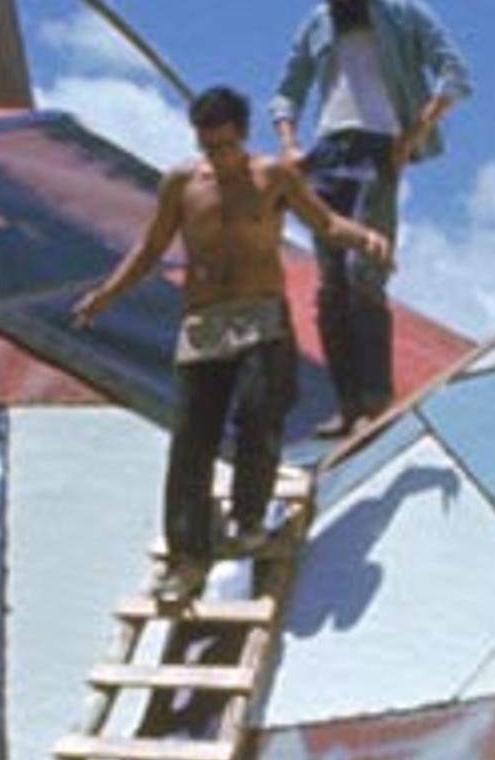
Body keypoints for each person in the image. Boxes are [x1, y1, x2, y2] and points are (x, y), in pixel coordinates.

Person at [74, 85, 392, 598]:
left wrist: (364, 237)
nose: (216, 158)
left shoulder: (274, 177)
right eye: (207, 147)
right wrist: (106, 294)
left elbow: (324, 221)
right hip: (204, 322)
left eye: (224, 146)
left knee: (259, 414)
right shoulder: (182, 182)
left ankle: (248, 522)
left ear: (242, 136)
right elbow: (151, 246)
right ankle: (188, 556)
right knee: (191, 440)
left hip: (260, 316)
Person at [268, 0, 470, 435]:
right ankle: (347, 404)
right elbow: (287, 91)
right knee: (330, 285)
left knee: (365, 269)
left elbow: (455, 73)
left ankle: (376, 402)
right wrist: (289, 143)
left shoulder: (401, 10)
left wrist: (415, 132)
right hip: (327, 150)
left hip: (380, 146)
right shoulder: (317, 23)